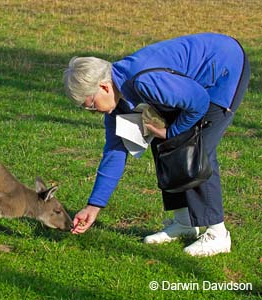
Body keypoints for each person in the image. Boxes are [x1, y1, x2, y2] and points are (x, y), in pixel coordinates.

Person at [63, 33, 250, 257]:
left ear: (104, 87)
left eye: (91, 105)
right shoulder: (116, 103)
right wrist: (93, 206)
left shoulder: (143, 80)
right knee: (164, 143)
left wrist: (172, 131)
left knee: (198, 148)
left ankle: (217, 234)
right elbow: (114, 152)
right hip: (189, 85)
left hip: (224, 67)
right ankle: (185, 223)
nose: (93, 111)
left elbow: (198, 100)